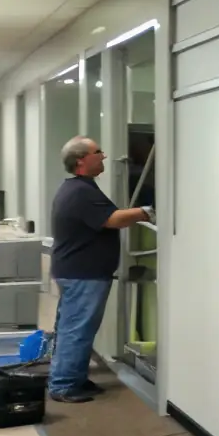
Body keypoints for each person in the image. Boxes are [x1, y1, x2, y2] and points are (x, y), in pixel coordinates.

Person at [48, 136, 154, 403]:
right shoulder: (81, 192)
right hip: (83, 274)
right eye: (98, 152)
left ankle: (73, 378)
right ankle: (63, 385)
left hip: (79, 271)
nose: (104, 156)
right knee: (77, 330)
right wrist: (146, 211)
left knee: (75, 328)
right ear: (81, 160)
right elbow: (112, 219)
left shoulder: (78, 188)